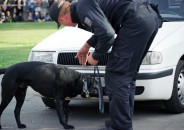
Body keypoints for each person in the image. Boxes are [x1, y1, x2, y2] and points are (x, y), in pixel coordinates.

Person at [50, 0, 160, 130]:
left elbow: (107, 34)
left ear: (62, 18)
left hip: (135, 21)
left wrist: (95, 56)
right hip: (148, 18)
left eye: (62, 24)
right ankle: (120, 121)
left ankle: (120, 126)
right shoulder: (82, 6)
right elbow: (104, 26)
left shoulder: (82, 8)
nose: (65, 26)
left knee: (117, 76)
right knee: (127, 76)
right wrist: (87, 45)